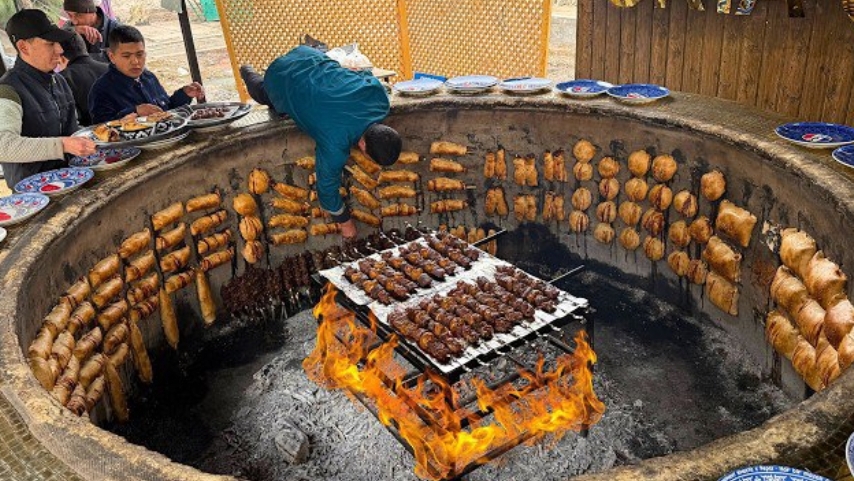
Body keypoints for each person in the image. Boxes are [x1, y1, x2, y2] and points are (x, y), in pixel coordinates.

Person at [240, 46, 401, 239]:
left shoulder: (380, 99)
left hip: (310, 56)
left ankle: (315, 51)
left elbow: (366, 75)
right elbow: (326, 188)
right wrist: (346, 223)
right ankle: (246, 70)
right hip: (281, 75)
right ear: (363, 146)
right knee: (263, 93)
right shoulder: (336, 141)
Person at [0, 9, 96, 188]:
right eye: (50, 43)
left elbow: (72, 131)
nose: (60, 49)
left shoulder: (59, 81)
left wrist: (104, 132)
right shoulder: (8, 89)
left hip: (72, 180)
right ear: (23, 47)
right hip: (34, 193)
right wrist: (62, 145)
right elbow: (3, 146)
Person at [88, 25, 205, 123]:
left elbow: (166, 111)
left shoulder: (149, 78)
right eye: (126, 56)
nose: (135, 62)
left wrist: (184, 94)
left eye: (140, 54)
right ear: (111, 57)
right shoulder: (102, 89)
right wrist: (135, 112)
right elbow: (101, 129)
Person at [59, 33, 108, 126]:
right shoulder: (111, 69)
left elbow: (71, 122)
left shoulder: (62, 79)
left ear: (61, 58)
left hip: (91, 132)